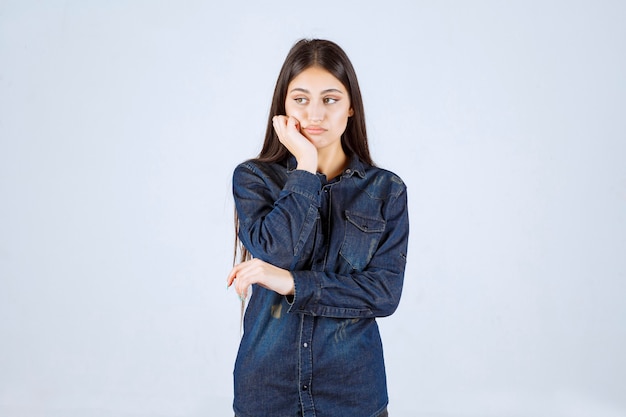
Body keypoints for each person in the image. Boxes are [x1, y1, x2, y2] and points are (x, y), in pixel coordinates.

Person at [227, 38, 409, 417]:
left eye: (329, 99)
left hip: (352, 392)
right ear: (283, 108)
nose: (315, 114)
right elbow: (277, 250)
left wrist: (294, 283)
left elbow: (382, 294)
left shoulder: (385, 191)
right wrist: (306, 164)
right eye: (300, 99)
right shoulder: (253, 179)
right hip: (267, 390)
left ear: (351, 107)